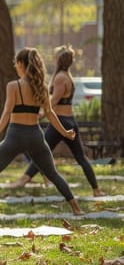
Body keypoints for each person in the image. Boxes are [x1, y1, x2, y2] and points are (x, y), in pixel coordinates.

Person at [0, 47, 85, 218]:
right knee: (53, 174)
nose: (15, 67)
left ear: (20, 64)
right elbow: (50, 114)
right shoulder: (42, 87)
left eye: (16, 64)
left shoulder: (13, 86)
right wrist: (66, 133)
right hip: (35, 137)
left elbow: (7, 112)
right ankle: (76, 208)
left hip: (14, 137)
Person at [11, 45, 105, 196]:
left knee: (40, 151)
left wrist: (39, 112)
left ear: (59, 60)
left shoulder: (61, 77)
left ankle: (24, 179)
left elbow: (54, 100)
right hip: (69, 121)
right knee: (80, 157)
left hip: (61, 122)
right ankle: (96, 190)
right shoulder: (67, 76)